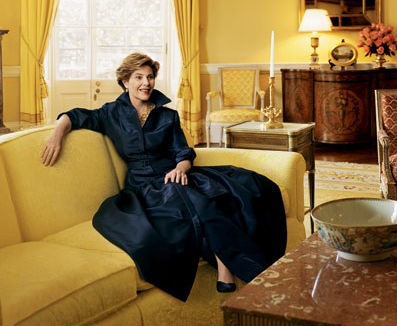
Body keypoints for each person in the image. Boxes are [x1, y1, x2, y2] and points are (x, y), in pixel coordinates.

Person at [41, 52, 287, 301]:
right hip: (143, 187)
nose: (146, 83)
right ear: (125, 81)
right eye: (138, 77)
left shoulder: (168, 115)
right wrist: (57, 133)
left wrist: (180, 168)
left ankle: (235, 265)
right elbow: (78, 115)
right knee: (196, 202)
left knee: (248, 188)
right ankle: (244, 270)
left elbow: (182, 151)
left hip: (174, 174)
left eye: (150, 77)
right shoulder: (110, 114)